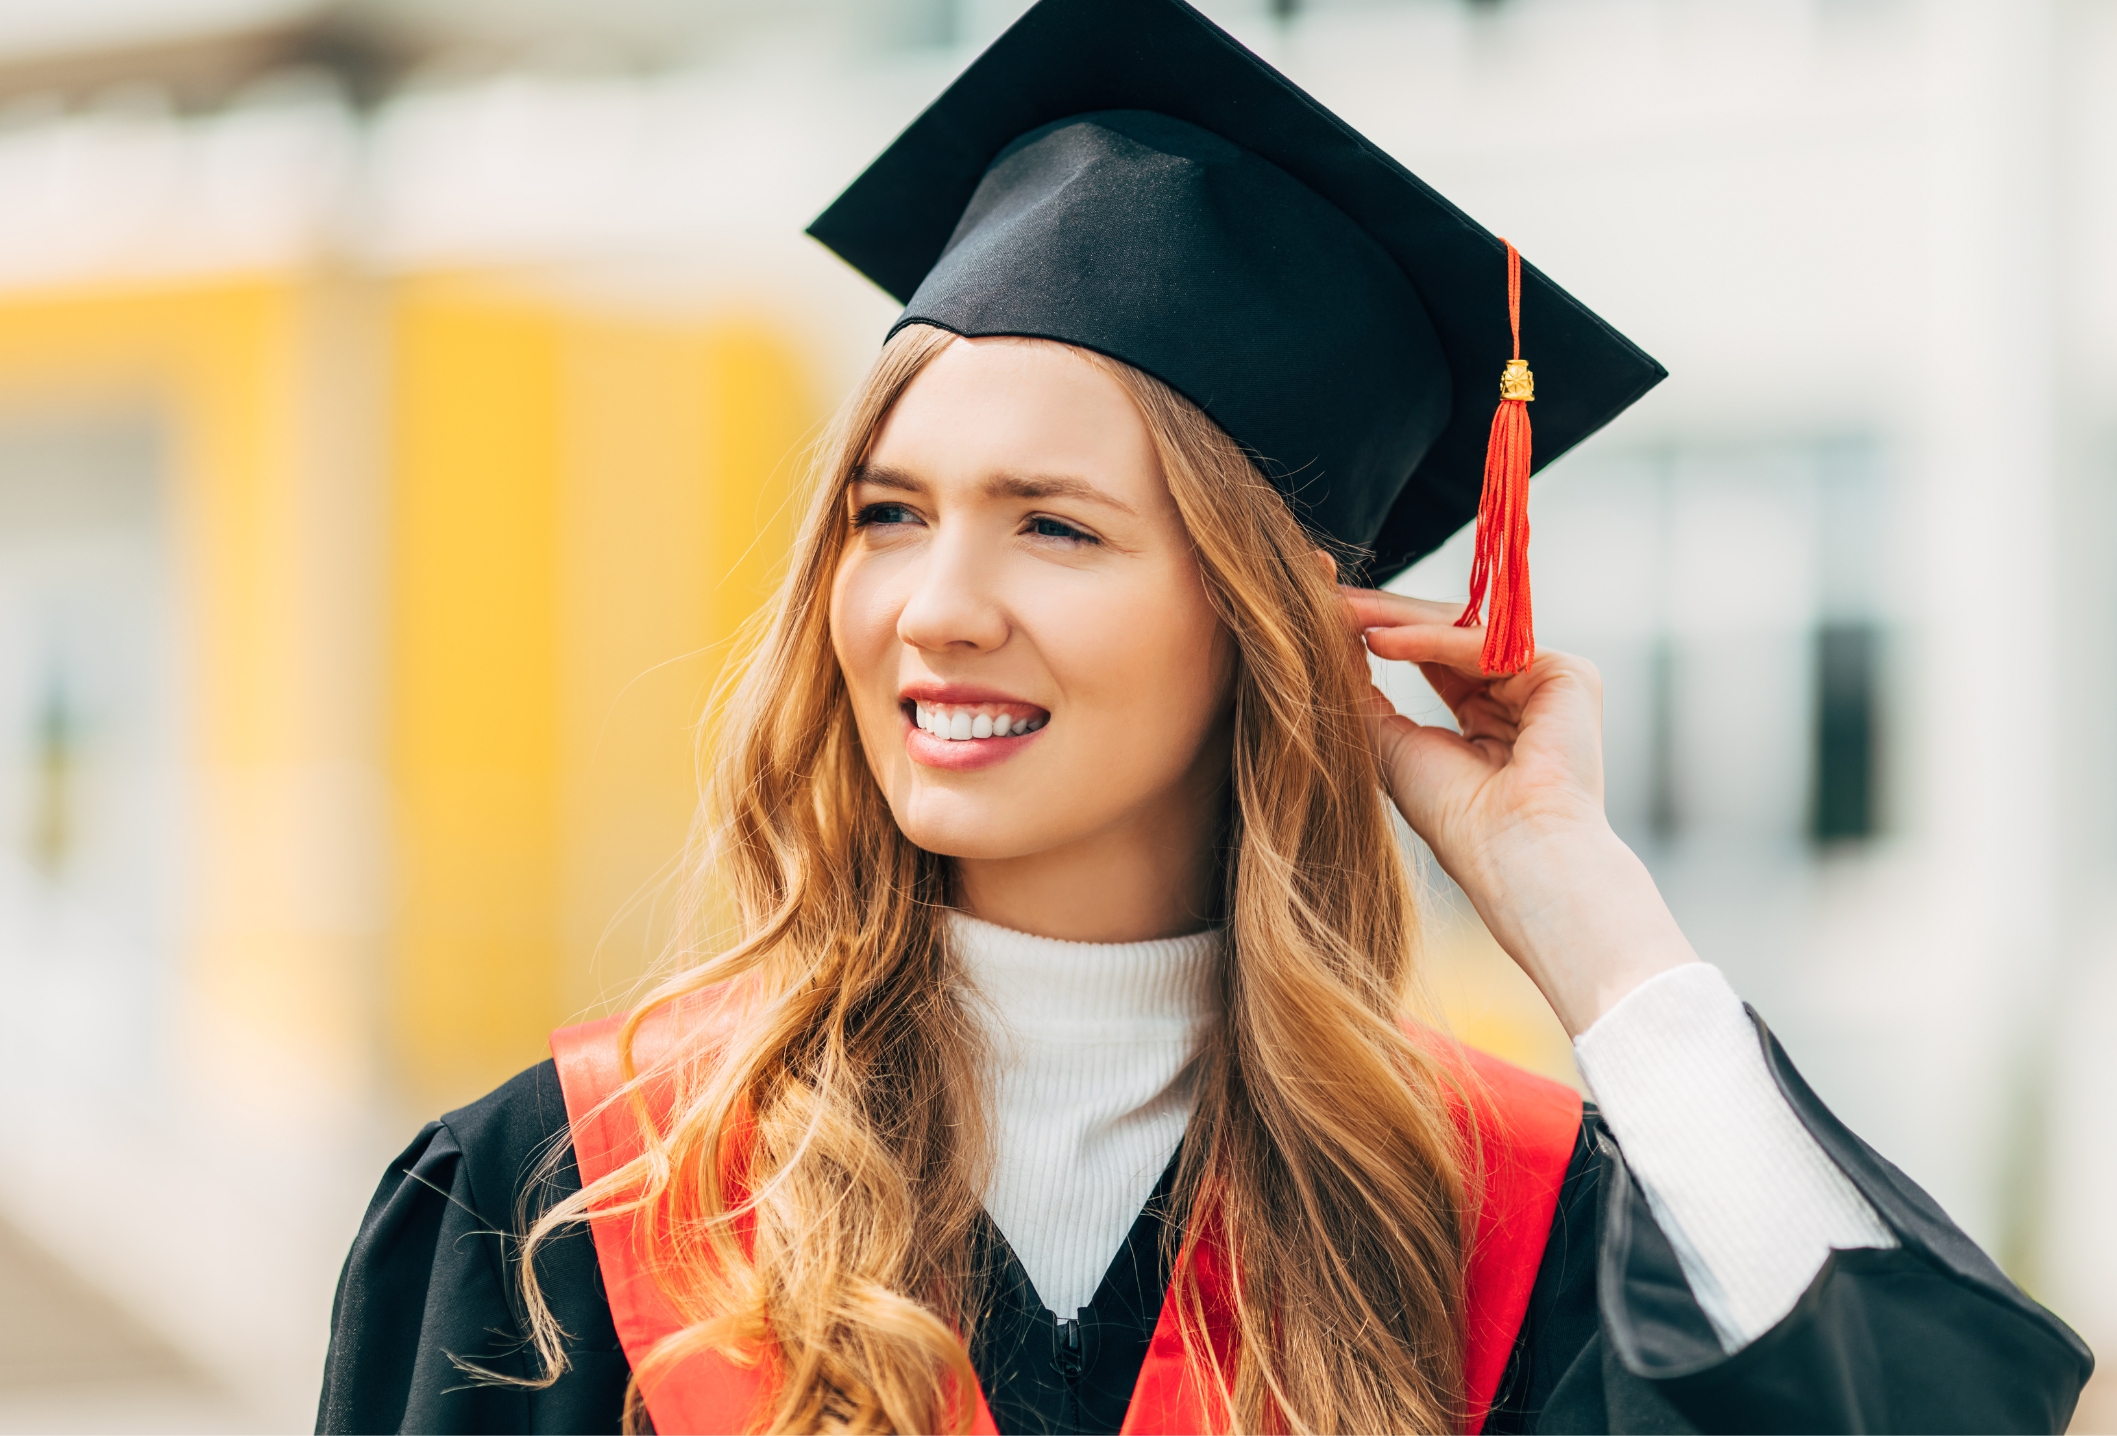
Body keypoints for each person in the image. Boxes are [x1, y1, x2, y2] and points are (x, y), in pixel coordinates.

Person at [317, 1, 2091, 1432]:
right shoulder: (575, 1195)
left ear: (1264, 621)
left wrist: (1575, 905)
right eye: (888, 512)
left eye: (1057, 526)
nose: (936, 607)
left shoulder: (1507, 1225)